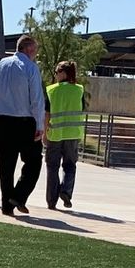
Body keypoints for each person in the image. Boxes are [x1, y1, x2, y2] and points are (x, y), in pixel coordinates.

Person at [0, 34, 46, 216]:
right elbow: (37, 100)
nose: (36, 54)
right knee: (34, 162)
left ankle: (7, 205)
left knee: (5, 167)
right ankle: (18, 195)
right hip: (23, 123)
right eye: (35, 50)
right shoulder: (30, 67)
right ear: (29, 49)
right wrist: (40, 125)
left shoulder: (2, 64)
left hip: (2, 121)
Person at [44, 60, 88, 210]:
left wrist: (44, 132)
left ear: (64, 73)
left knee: (52, 167)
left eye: (57, 72)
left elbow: (47, 113)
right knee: (70, 166)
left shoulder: (51, 90)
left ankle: (51, 201)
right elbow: (82, 109)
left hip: (55, 134)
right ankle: (66, 192)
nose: (55, 75)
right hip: (73, 134)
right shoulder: (79, 90)